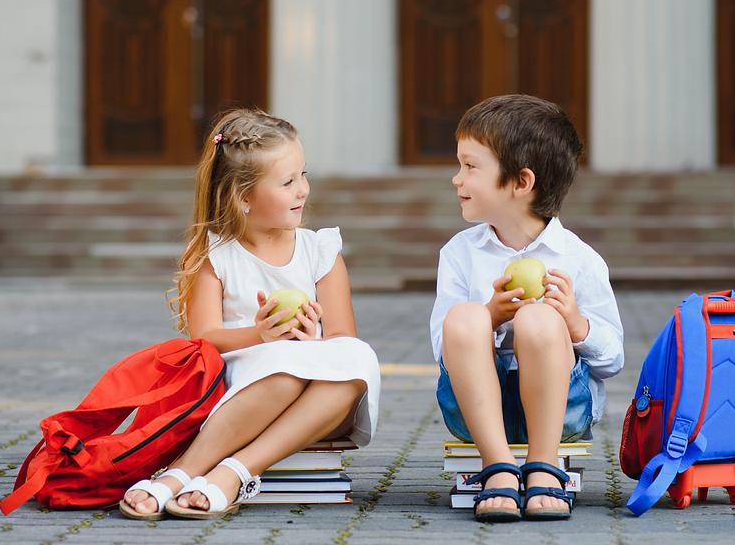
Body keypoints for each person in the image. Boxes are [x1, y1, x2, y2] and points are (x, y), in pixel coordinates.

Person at [120, 108, 380, 520]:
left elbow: (342, 339)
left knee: (358, 355)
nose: (303, 190)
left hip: (319, 405)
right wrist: (261, 335)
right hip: (246, 396)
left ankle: (234, 471)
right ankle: (183, 473)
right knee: (283, 369)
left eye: (303, 175)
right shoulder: (217, 256)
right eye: (287, 182)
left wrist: (311, 338)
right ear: (244, 198)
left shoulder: (320, 251)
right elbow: (204, 338)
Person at [430, 95, 624, 522]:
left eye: (470, 166)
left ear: (521, 182)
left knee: (540, 317)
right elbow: (442, 347)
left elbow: (613, 359)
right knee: (465, 316)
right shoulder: (459, 254)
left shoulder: (579, 259)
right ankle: (497, 466)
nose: (456, 179)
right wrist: (490, 317)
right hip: (478, 413)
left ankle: (544, 464)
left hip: (564, 411)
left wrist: (575, 323)